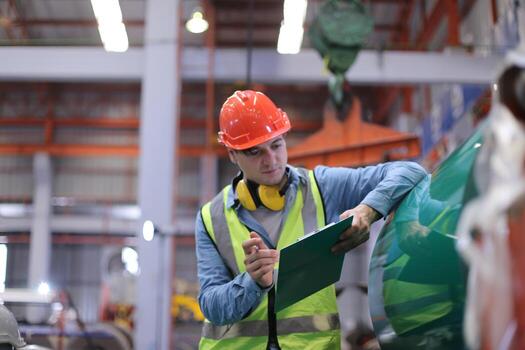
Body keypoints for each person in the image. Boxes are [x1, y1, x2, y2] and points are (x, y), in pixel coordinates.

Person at [195, 90, 427, 349]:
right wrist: (252, 282)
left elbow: (409, 171)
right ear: (232, 154)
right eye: (254, 152)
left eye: (276, 145)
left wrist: (368, 210)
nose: (271, 161)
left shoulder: (322, 188)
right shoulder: (211, 217)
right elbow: (212, 306)